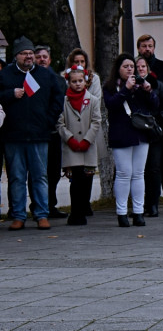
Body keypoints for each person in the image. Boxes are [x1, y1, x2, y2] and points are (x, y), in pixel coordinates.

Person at [0, 37, 63, 230]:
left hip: (39, 135)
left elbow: (58, 98)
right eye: (24, 53)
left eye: (30, 53)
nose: (28, 56)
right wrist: (11, 94)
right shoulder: (6, 76)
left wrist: (47, 121)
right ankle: (18, 215)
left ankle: (41, 214)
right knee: (17, 177)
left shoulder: (45, 75)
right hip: (13, 135)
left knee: (40, 176)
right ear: (16, 56)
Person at [104, 54, 158, 227]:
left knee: (138, 174)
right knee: (123, 173)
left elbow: (155, 106)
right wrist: (125, 89)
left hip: (141, 134)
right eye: (125, 66)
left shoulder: (141, 86)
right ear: (118, 69)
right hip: (121, 134)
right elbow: (111, 105)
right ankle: (121, 213)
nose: (129, 69)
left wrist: (149, 91)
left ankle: (138, 212)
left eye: (131, 66)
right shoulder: (111, 87)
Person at [134, 36, 163, 208]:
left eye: (150, 46)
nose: (147, 49)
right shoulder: (131, 75)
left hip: (160, 125)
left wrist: (162, 118)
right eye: (144, 46)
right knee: (146, 167)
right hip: (139, 126)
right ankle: (145, 200)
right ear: (138, 48)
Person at [56, 66, 101, 225]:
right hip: (72, 147)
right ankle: (75, 213)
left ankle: (82, 210)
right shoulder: (64, 101)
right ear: (68, 82)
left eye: (80, 81)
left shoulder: (93, 100)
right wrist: (70, 139)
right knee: (75, 181)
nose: (77, 84)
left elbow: (96, 122)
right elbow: (60, 124)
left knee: (85, 180)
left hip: (87, 146)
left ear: (86, 82)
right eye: (74, 81)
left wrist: (87, 140)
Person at [34, 44, 68, 220]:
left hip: (54, 131)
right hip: (36, 132)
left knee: (54, 171)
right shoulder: (29, 79)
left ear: (50, 58)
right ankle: (37, 205)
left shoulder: (59, 80)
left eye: (44, 56)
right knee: (38, 172)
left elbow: (60, 104)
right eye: (38, 56)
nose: (41, 60)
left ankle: (51, 204)